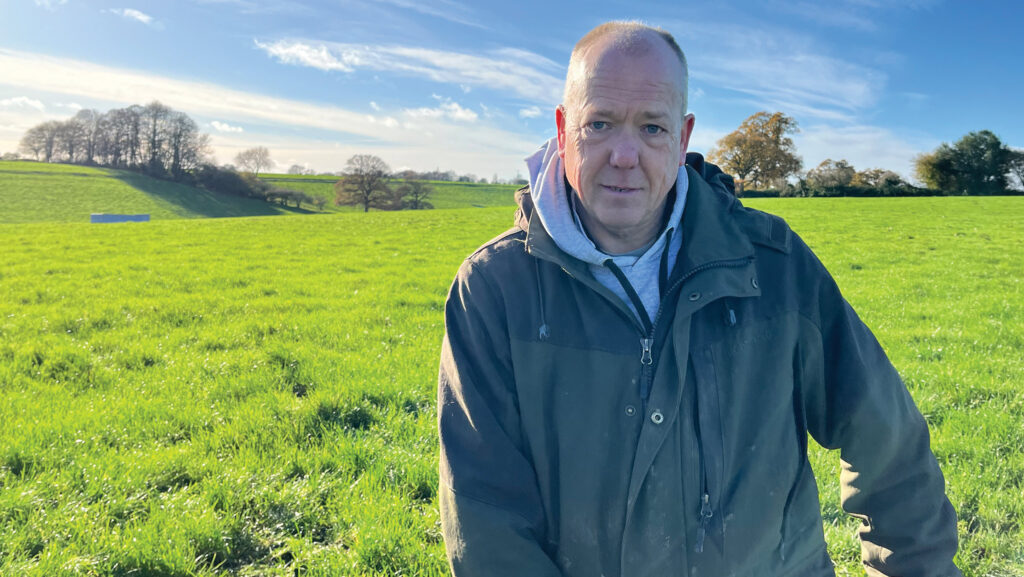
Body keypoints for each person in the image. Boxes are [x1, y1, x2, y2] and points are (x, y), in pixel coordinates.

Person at [437, 21, 961, 577]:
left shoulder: (774, 264)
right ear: (564, 129)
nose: (624, 154)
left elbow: (888, 445)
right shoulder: (494, 290)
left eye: (652, 128)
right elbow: (487, 519)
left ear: (683, 138)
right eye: (601, 123)